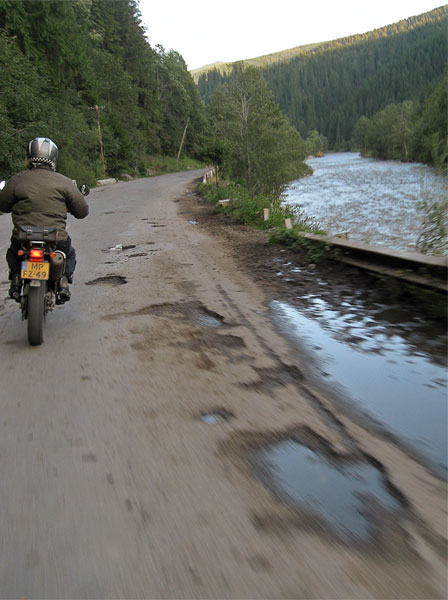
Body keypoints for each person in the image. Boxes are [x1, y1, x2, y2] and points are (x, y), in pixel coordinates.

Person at [0, 137, 89, 302]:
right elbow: (82, 211)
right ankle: (63, 282)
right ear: (53, 158)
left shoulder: (17, 179)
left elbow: (2, 205)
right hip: (54, 237)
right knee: (69, 254)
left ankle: (16, 281)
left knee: (13, 253)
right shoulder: (64, 182)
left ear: (30, 155)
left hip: (23, 236)